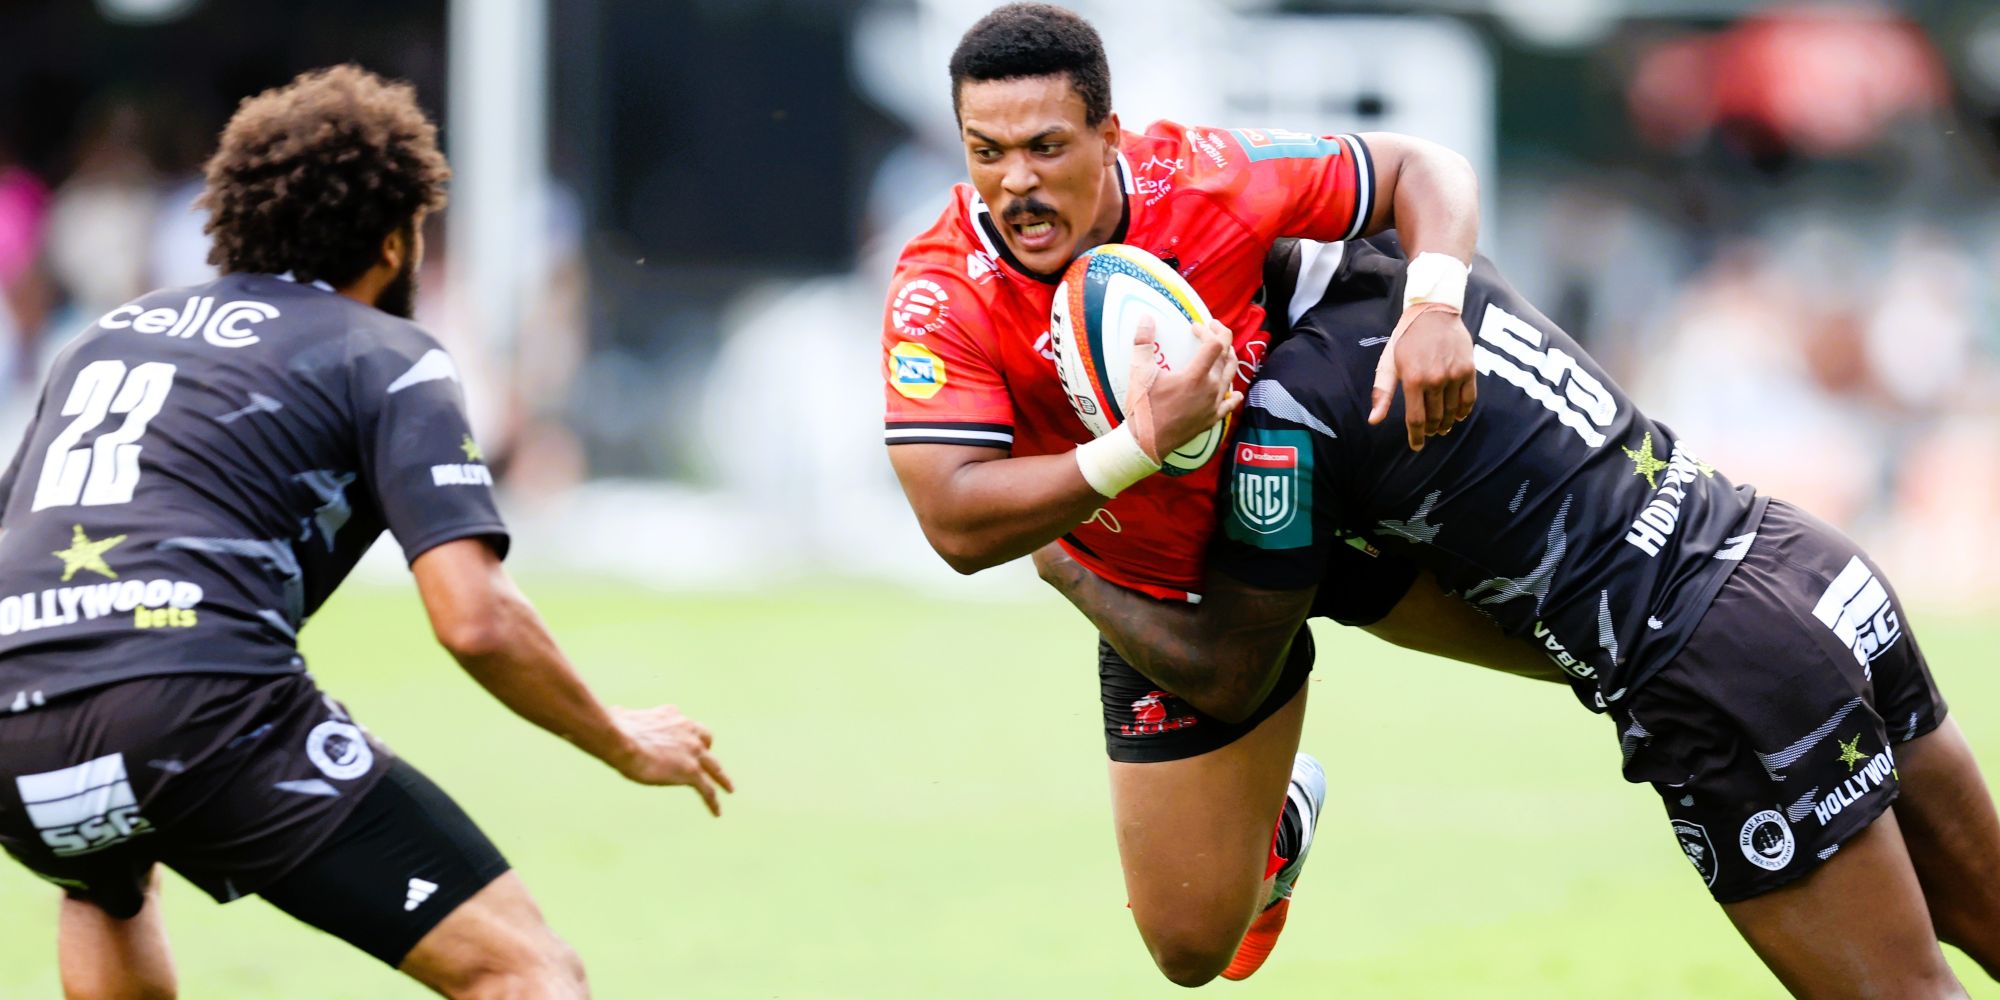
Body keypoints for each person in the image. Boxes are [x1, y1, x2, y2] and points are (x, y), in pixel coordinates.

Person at [1033, 234, 2000, 996]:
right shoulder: (1411, 267)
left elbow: (1227, 678)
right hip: (1798, 559)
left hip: (1716, 668)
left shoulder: (1294, 414)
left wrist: (1064, 553)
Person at [0, 66, 731, 999]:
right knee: (523, 971)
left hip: (12, 725)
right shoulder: (385, 352)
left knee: (107, 882)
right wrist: (617, 737)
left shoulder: (105, 340)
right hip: (193, 699)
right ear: (394, 242)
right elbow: (475, 619)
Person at [882, 3, 1549, 985]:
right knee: (1192, 950)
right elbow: (952, 521)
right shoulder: (940, 287)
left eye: (1045, 147)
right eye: (986, 152)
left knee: (1590, 655)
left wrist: (1433, 301)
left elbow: (1426, 168)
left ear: (1109, 137)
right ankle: (1279, 820)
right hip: (1158, 585)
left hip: (1315, 510)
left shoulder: (1201, 176)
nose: (1015, 181)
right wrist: (1137, 447)